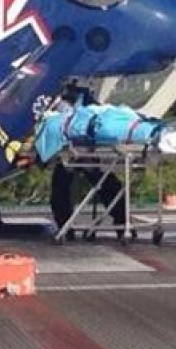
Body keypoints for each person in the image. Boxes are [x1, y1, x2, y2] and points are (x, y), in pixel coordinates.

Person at [48, 79, 127, 239]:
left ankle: (121, 221)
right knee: (63, 188)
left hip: (81, 150)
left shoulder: (82, 103)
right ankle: (121, 221)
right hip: (73, 151)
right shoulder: (77, 102)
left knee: (104, 184)